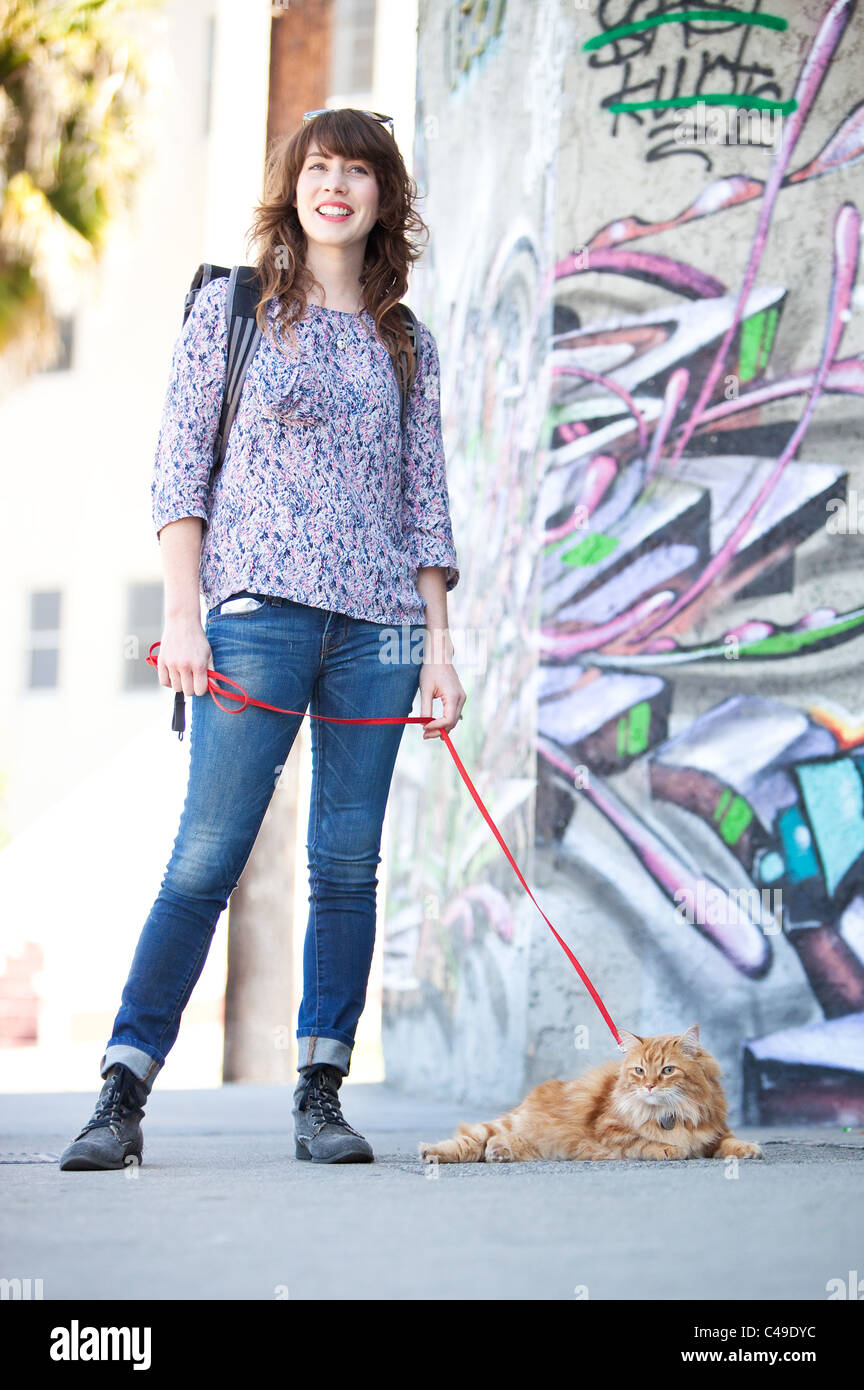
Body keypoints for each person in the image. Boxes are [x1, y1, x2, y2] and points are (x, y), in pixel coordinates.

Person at [59, 108, 464, 1170]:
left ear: (383, 196)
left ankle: (320, 1093)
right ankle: (122, 1090)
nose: (335, 185)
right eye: (317, 167)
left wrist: (441, 645)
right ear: (292, 187)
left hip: (378, 629)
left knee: (345, 866)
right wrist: (182, 614)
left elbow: (427, 501)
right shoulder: (235, 309)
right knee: (205, 858)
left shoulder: (407, 340)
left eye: (356, 171)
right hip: (253, 619)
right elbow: (178, 470)